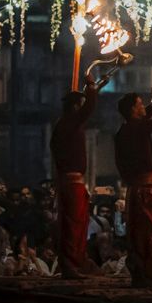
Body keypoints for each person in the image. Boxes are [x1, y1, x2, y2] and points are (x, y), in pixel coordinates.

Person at [115, 84, 152, 287]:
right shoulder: (137, 128)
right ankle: (149, 273)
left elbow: (150, 113)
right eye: (140, 104)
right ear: (133, 109)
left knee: (138, 234)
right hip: (146, 192)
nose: (143, 107)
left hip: (135, 189)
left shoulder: (124, 130)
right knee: (150, 234)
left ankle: (142, 274)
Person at [49, 75, 97, 278]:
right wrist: (91, 87)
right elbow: (89, 108)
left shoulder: (63, 125)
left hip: (69, 182)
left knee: (75, 223)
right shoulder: (69, 123)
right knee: (73, 225)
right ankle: (70, 264)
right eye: (80, 105)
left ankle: (73, 262)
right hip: (71, 182)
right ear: (75, 106)